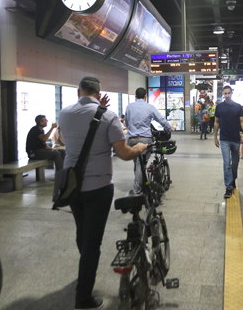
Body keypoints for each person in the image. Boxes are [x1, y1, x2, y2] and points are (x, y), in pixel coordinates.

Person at [58, 77, 147, 310]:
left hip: (71, 186)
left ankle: (84, 268)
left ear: (78, 91)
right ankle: (83, 297)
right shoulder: (108, 116)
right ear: (99, 92)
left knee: (82, 232)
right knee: (92, 243)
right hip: (98, 188)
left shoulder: (64, 113)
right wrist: (139, 148)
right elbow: (125, 153)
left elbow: (68, 140)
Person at [125, 87, 172, 194]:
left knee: (137, 163)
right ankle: (137, 190)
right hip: (145, 140)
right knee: (140, 164)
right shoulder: (149, 107)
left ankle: (141, 184)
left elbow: (127, 124)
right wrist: (169, 128)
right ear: (145, 96)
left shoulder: (129, 107)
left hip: (132, 140)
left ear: (135, 96)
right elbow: (161, 119)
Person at [214, 86, 243, 199]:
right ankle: (228, 187)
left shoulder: (238, 107)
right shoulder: (219, 107)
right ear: (223, 94)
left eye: (229, 93)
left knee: (235, 162)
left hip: (235, 139)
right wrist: (215, 136)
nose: (227, 95)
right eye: (225, 93)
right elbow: (216, 122)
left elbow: (242, 121)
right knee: (226, 163)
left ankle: (233, 180)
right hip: (224, 139)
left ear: (232, 93)